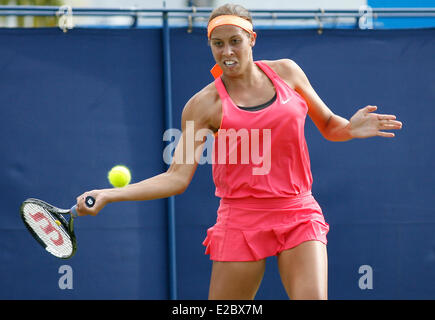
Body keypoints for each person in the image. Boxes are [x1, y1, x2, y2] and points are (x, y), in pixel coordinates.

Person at [75, 4, 402, 300]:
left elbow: (330, 125)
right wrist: (109, 195)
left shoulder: (287, 72)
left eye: (235, 41)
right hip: (241, 219)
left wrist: (350, 128)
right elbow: (176, 178)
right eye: (218, 44)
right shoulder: (203, 106)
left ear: (252, 39)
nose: (227, 51)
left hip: (298, 211)